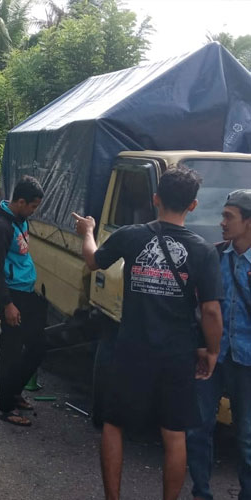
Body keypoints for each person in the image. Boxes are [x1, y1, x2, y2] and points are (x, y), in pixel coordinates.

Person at [73, 167, 223, 500]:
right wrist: (212, 352)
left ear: (156, 199)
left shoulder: (131, 235)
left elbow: (93, 260)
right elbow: (211, 311)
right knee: (174, 434)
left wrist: (88, 230)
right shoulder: (203, 251)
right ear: (193, 205)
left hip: (131, 349)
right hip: (177, 354)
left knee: (114, 424)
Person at [187, 189, 251, 500]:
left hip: (247, 362)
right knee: (198, 430)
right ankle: (202, 492)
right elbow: (197, 308)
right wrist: (201, 344)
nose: (221, 222)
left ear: (248, 222)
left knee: (247, 438)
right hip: (211, 356)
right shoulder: (212, 255)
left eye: (229, 216)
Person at [0, 176, 45, 427]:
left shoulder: (20, 219)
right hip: (12, 295)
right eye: (32, 206)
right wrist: (7, 304)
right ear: (20, 201)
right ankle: (5, 407)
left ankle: (15, 391)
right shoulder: (2, 226)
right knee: (10, 351)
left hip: (26, 291)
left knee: (38, 346)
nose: (34, 211)